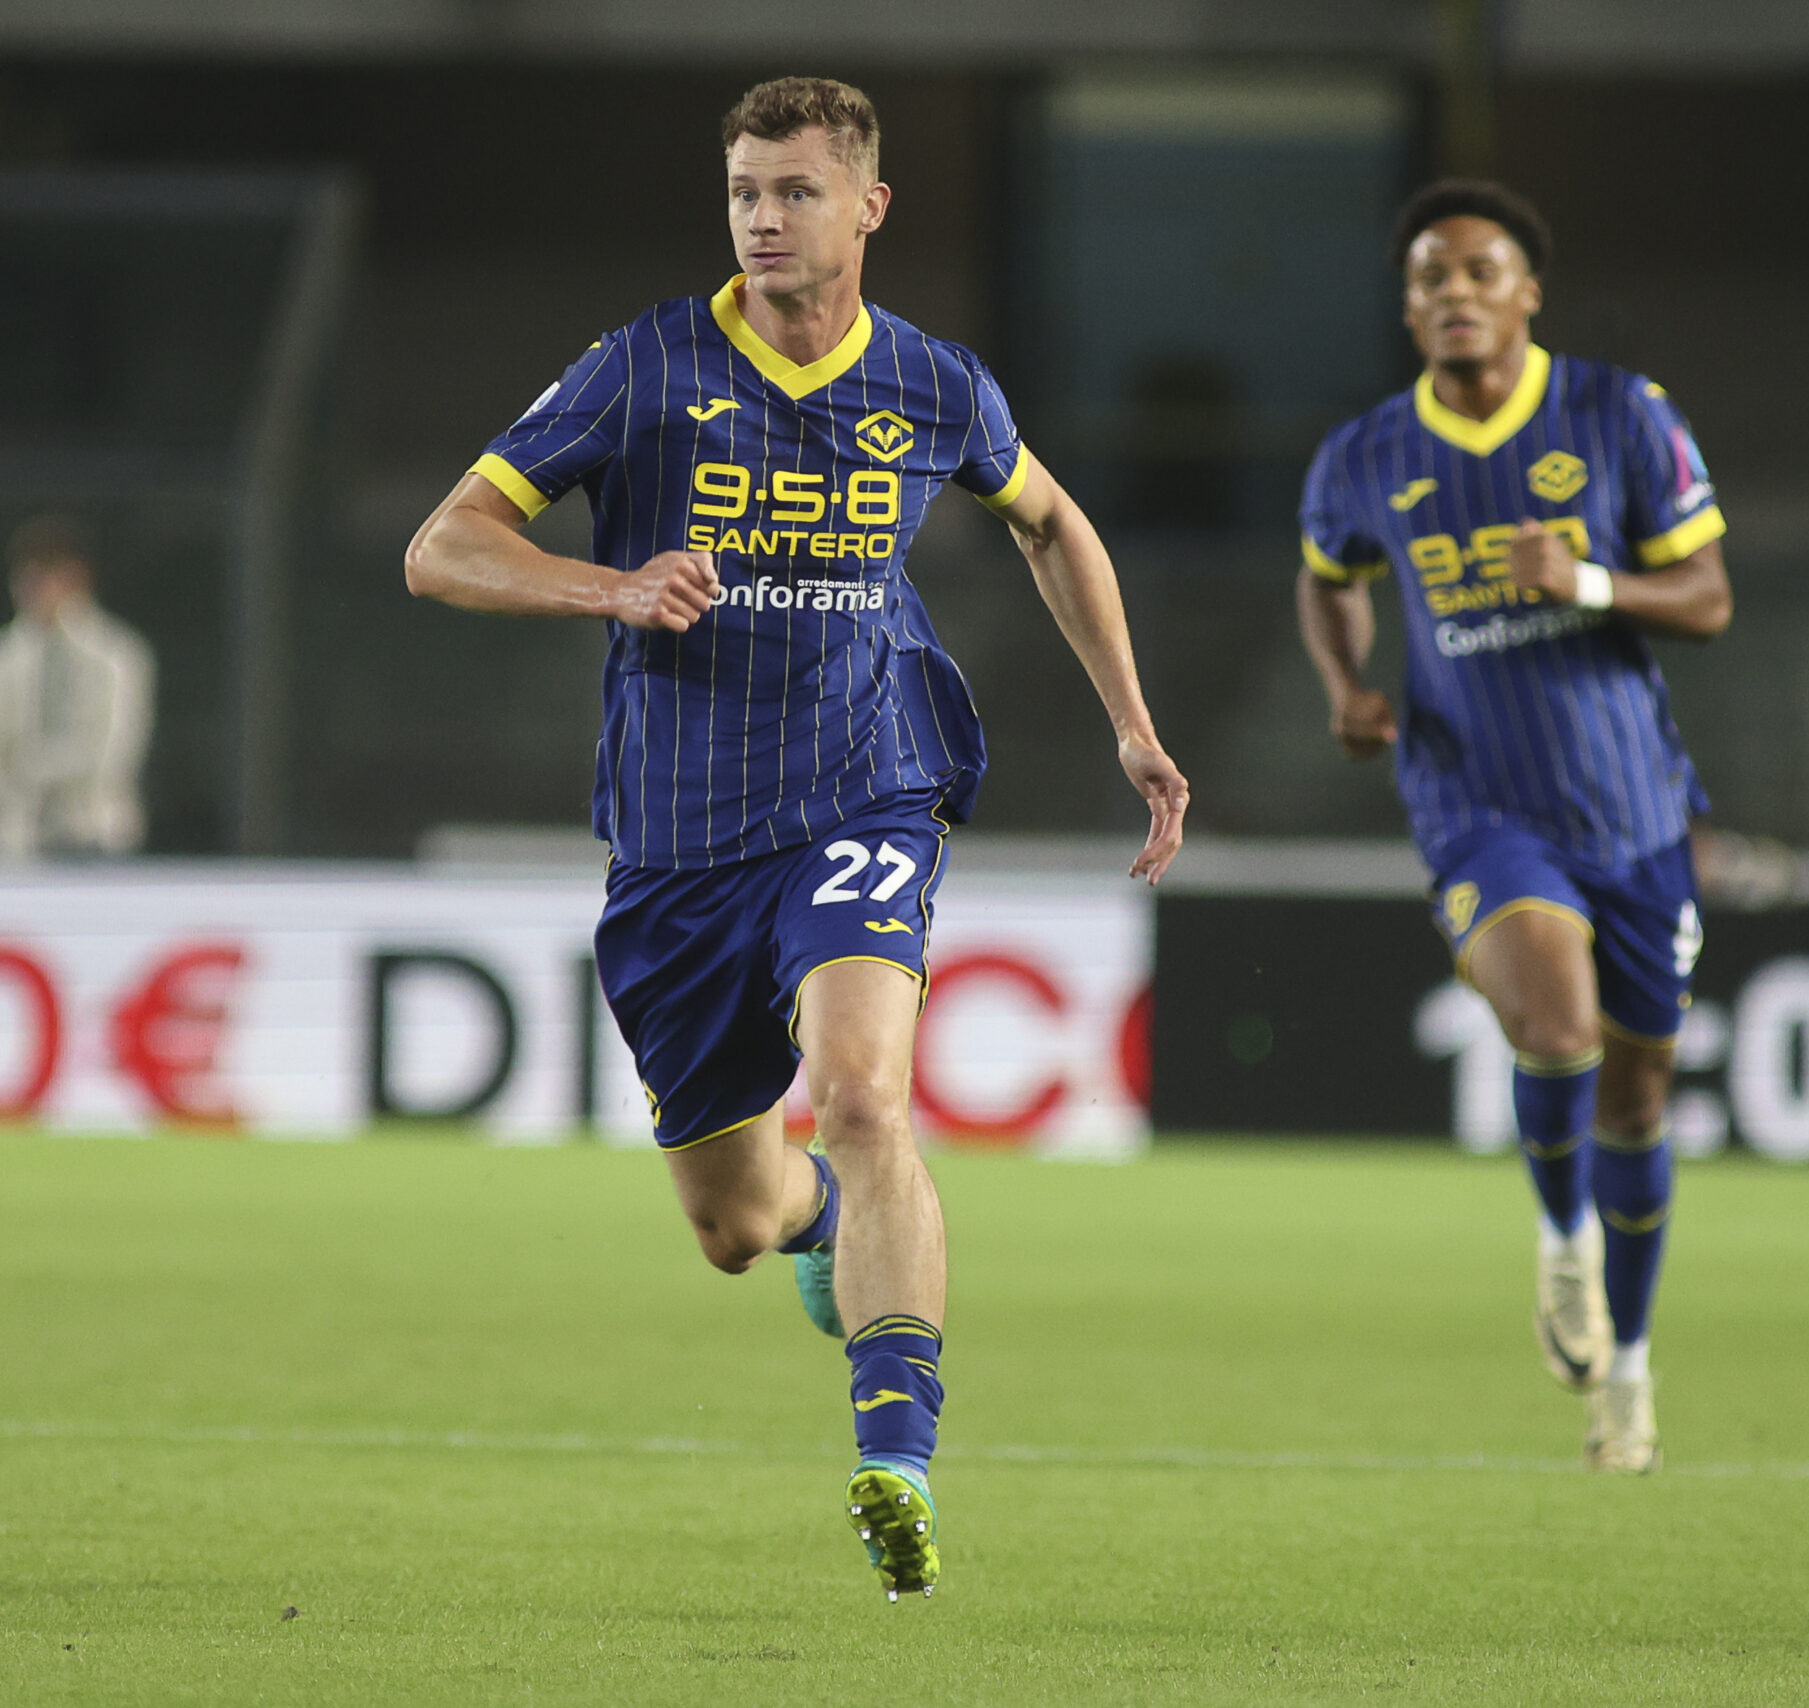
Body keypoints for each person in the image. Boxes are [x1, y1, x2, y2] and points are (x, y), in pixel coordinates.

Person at [404, 76, 1187, 1599]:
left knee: (865, 1093)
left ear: (869, 208)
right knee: (733, 1221)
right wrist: (610, 584)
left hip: (864, 789)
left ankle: (896, 1460)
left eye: (798, 192)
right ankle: (820, 1222)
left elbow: (1051, 522)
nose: (766, 218)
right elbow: (442, 548)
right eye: (746, 193)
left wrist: (1133, 724)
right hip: (679, 846)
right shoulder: (646, 368)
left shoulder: (934, 384)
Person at [1295, 180, 1732, 1473]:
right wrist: (1350, 690)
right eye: (1430, 278)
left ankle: (1631, 1379)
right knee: (1556, 1025)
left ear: (1527, 293)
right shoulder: (1366, 454)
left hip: (1637, 809)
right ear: (1411, 307)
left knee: (1639, 1100)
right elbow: (1328, 585)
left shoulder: (1618, 414)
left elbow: (1708, 595)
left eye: (1480, 272)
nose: (1454, 296)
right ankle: (1561, 1245)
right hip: (1478, 801)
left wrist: (1590, 579)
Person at [0, 514, 155, 863]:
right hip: (13, 846)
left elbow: (113, 756)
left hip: (100, 840)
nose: (37, 590)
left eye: (50, 576)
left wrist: (30, 767)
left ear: (79, 579)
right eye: (28, 577)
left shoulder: (117, 657)